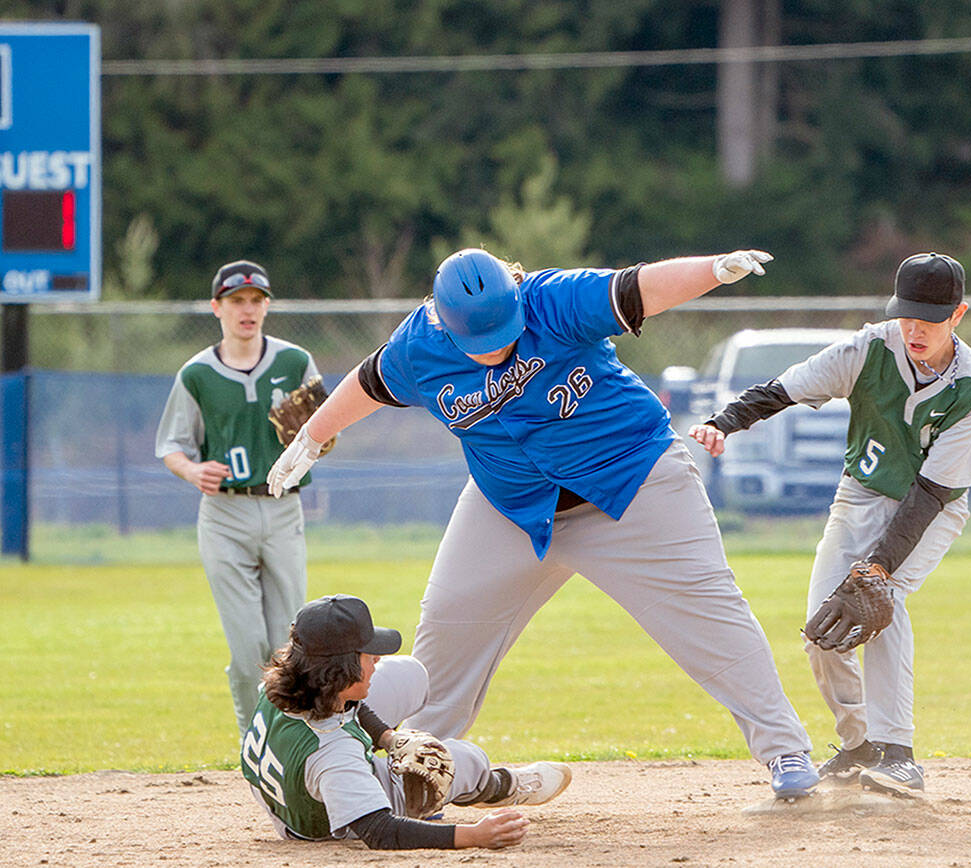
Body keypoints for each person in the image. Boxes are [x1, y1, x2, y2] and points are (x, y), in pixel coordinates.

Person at [266, 248, 820, 799]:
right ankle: (416, 770)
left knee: (708, 611)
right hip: (511, 505)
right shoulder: (419, 347)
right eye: (477, 343)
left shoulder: (552, 301)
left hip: (633, 483)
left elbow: (638, 286)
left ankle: (784, 748)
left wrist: (711, 270)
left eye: (503, 332)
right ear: (442, 320)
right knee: (448, 624)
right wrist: (312, 437)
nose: (495, 349)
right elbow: (367, 383)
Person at [689, 252, 971, 796]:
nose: (915, 328)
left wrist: (877, 567)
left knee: (882, 599)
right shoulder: (870, 348)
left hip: (932, 508)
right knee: (820, 631)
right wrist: (723, 422)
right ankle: (859, 747)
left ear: (959, 314)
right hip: (859, 496)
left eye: (930, 317)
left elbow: (929, 493)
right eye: (907, 314)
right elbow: (784, 389)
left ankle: (898, 753)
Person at [241, 593, 571, 850]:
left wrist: (389, 739)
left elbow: (347, 706)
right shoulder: (334, 755)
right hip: (329, 819)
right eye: (368, 656)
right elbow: (380, 831)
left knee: (408, 674)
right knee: (462, 758)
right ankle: (498, 786)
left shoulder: (286, 683)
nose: (377, 659)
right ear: (341, 671)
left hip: (300, 776)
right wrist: (474, 835)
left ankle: (394, 759)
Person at [155, 260, 322, 734]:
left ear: (266, 306)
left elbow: (321, 436)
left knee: (288, 641)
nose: (247, 310)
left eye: (256, 300)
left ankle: (296, 739)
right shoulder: (197, 374)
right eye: (236, 301)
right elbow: (171, 444)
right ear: (217, 308)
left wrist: (309, 440)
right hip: (225, 514)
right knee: (248, 646)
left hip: (282, 506)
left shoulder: (294, 362)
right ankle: (257, 744)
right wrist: (192, 469)